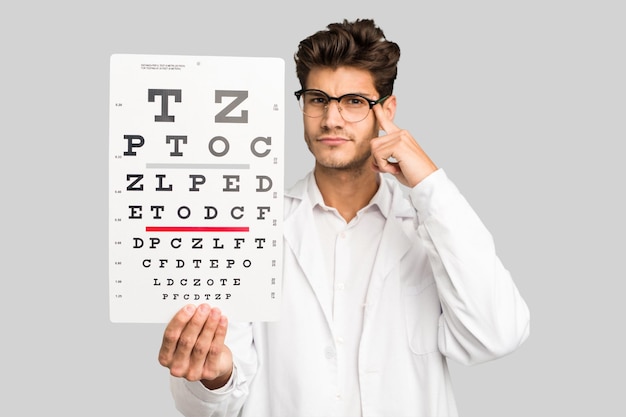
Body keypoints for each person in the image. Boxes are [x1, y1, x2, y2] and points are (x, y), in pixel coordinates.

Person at [158, 18, 530, 417]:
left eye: (354, 101)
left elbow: (496, 334)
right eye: (318, 99)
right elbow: (212, 402)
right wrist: (216, 375)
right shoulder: (248, 226)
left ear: (386, 110)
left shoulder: (431, 227)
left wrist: (429, 184)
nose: (332, 119)